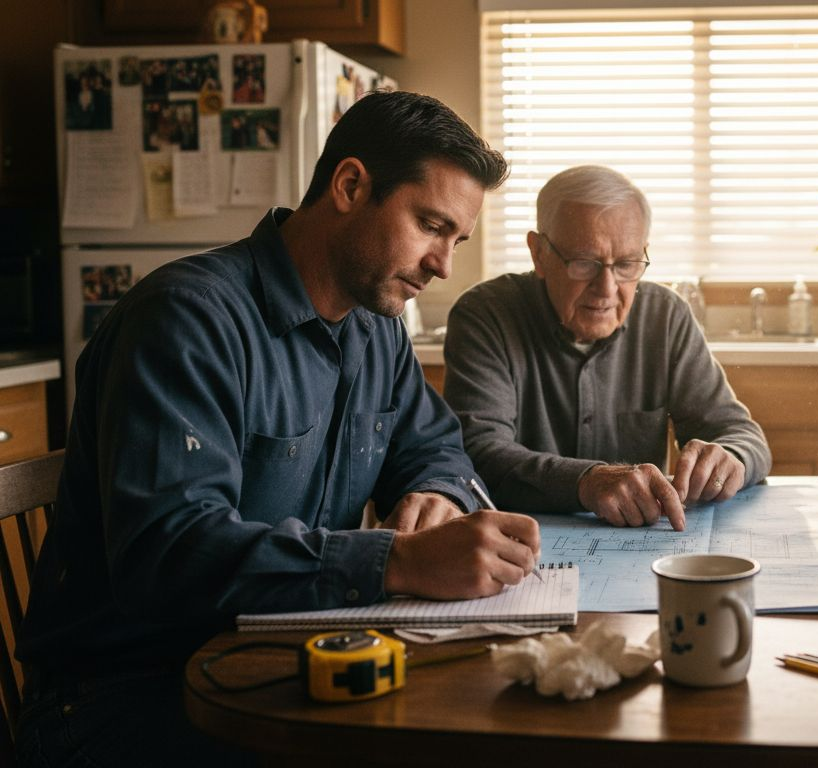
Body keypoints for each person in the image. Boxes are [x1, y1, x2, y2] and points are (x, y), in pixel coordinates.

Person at [16, 90, 533, 767]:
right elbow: (167, 556)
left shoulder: (376, 329)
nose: (444, 265)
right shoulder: (183, 322)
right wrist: (397, 561)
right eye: (431, 226)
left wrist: (439, 494)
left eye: (455, 240)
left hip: (278, 663)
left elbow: (435, 446)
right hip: (125, 700)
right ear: (350, 186)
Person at [442, 165, 771, 532]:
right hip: (518, 546)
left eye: (627, 264)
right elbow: (477, 454)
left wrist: (731, 459)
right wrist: (588, 481)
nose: (607, 288)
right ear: (539, 254)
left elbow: (743, 436)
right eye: (585, 263)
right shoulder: (486, 315)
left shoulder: (666, 315)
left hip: (642, 548)